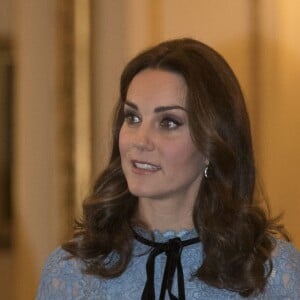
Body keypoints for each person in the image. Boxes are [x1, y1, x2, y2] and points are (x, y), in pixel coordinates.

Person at [37, 38, 300, 299]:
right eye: (133, 117)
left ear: (212, 144)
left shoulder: (273, 273)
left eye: (169, 122)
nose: (140, 141)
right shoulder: (69, 273)